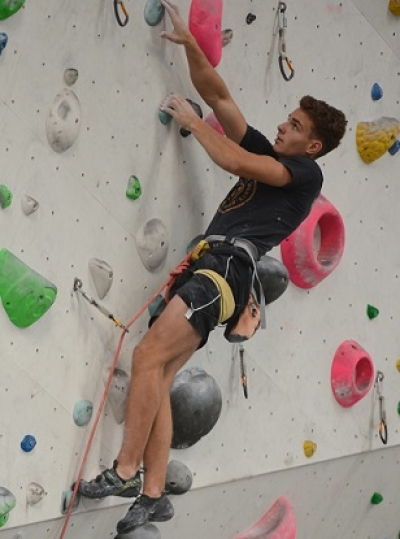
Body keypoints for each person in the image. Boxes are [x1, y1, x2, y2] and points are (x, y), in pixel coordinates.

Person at [77, 0, 347, 534]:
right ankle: (153, 496)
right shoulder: (274, 156)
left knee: (148, 353)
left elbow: (231, 159)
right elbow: (219, 95)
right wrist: (192, 46)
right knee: (160, 370)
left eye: (293, 125)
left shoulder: (302, 176)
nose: (282, 125)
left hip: (225, 271)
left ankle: (126, 471)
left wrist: (188, 120)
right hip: (211, 268)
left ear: (311, 145)